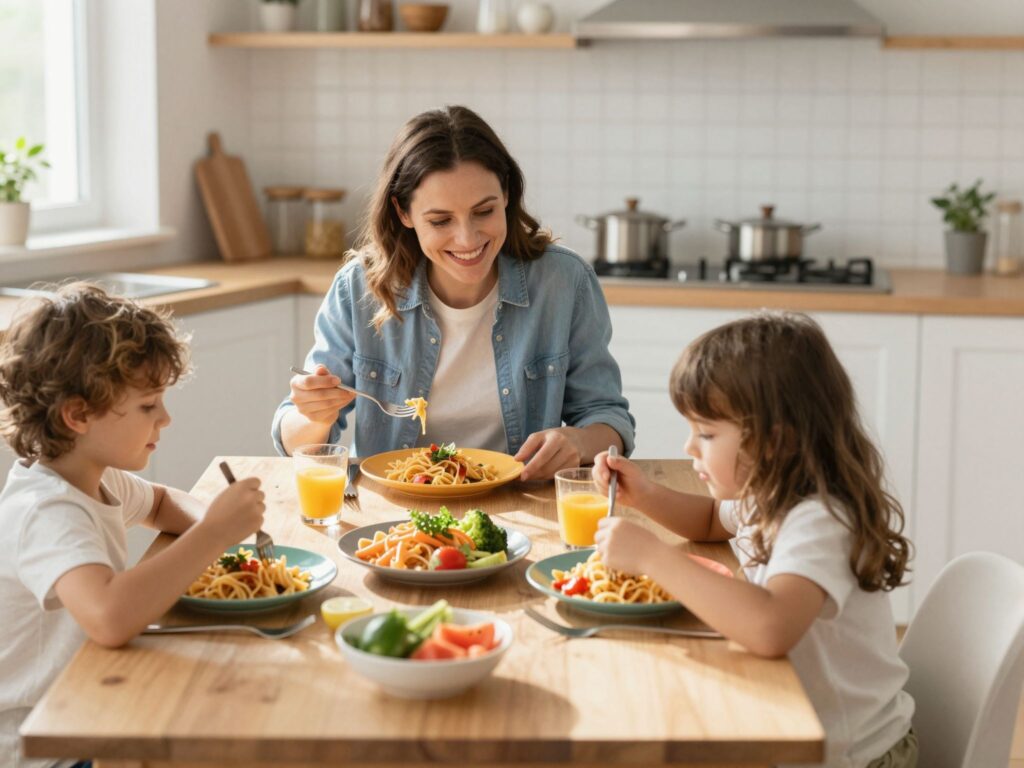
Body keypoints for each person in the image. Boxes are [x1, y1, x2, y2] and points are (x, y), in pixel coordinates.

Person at [592, 312, 917, 768]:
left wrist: (652, 556)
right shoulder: (771, 493)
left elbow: (770, 628)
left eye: (706, 433)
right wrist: (643, 495)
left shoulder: (820, 520)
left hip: (854, 755)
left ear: (775, 442)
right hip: (801, 728)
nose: (689, 448)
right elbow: (709, 520)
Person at [272, 105, 634, 481]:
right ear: (403, 212)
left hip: (523, 503)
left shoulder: (563, 281)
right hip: (396, 514)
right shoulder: (358, 289)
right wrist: (314, 414)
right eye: (440, 220)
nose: (468, 239)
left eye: (484, 211)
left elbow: (609, 420)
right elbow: (293, 441)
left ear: (506, 193)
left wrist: (578, 440)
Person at [0, 284, 266, 768]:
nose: (165, 418)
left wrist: (216, 520)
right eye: (148, 406)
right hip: (46, 748)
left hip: (87, 703)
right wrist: (214, 535)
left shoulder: (91, 479)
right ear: (78, 414)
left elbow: (162, 502)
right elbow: (108, 617)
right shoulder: (46, 512)